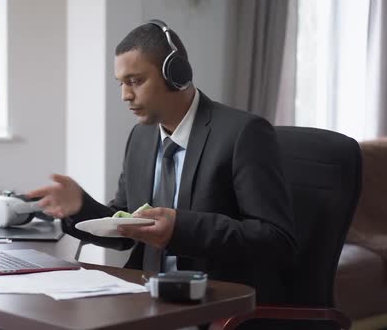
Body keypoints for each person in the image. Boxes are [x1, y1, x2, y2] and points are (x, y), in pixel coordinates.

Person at [28, 20, 297, 307]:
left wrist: (180, 229)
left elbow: (275, 240)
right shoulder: (141, 136)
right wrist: (80, 207)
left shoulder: (244, 133)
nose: (125, 95)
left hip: (214, 303)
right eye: (121, 83)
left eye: (136, 81)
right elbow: (126, 224)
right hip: (146, 299)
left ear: (176, 74)